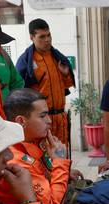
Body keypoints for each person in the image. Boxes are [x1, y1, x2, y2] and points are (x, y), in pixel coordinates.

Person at [0, 88, 82, 204]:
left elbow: (44, 177)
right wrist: (60, 163)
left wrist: (61, 170)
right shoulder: (14, 161)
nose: (50, 120)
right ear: (21, 121)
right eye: (42, 116)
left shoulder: (33, 143)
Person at [16, 18, 75, 150]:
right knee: (45, 157)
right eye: (42, 36)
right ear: (32, 37)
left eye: (49, 35)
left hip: (61, 118)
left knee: (62, 154)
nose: (47, 39)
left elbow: (67, 86)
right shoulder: (25, 62)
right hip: (41, 120)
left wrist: (65, 74)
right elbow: (20, 93)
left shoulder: (58, 58)